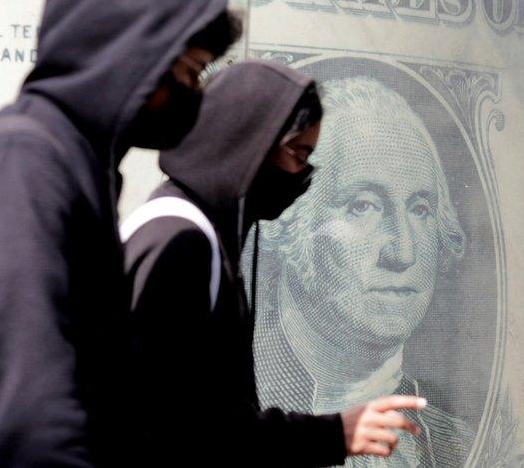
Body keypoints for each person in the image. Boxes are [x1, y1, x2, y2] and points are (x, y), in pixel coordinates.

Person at [0, 0, 238, 466]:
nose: (194, 94)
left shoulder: (76, 163)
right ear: (128, 56)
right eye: (190, 73)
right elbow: (34, 412)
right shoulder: (26, 167)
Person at [122, 61, 427, 466]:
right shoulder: (181, 241)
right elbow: (186, 428)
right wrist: (336, 434)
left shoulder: (197, 230)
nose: (303, 176)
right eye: (299, 155)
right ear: (252, 141)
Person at [253, 76, 474, 467]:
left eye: (420, 209)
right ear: (292, 222)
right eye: (363, 206)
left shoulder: (456, 442)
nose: (403, 252)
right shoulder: (237, 415)